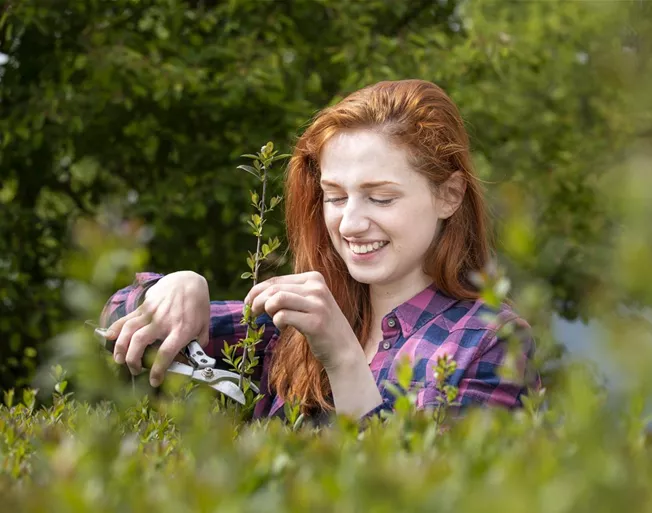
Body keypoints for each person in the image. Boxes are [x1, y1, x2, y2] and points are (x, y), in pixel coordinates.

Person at [100, 79, 538, 425]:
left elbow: (436, 492)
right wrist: (174, 290)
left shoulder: (488, 343)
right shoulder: (288, 329)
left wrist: (344, 358)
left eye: (381, 198)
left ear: (449, 195)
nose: (350, 223)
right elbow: (116, 324)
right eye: (335, 196)